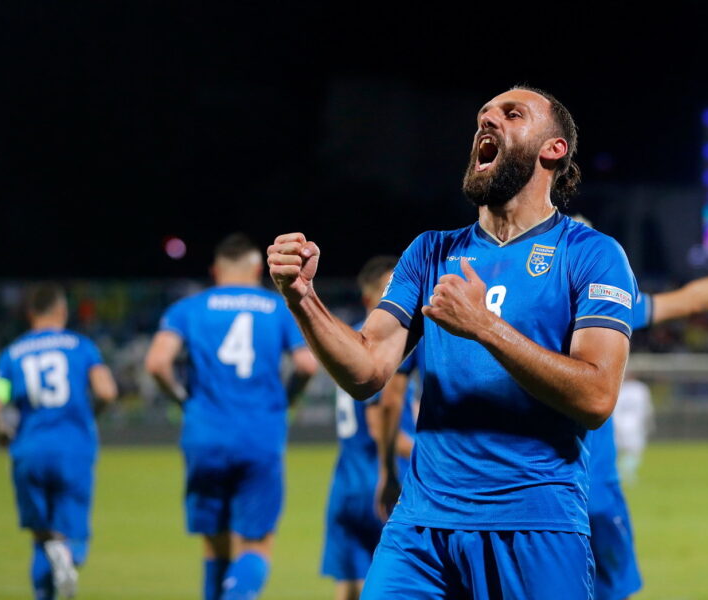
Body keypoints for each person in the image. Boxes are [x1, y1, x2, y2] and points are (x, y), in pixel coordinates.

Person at [268, 86, 637, 599]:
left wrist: (485, 326)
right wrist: (303, 299)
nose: (488, 121)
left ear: (553, 149)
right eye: (483, 115)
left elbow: (596, 397)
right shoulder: (430, 252)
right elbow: (366, 370)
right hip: (422, 527)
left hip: (536, 524)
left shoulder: (592, 254)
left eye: (512, 114)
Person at [588, 249, 708, 600]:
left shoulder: (510, 304)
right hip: (590, 490)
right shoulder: (600, 296)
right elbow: (691, 301)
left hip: (520, 490)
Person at [144, 233, 317, 600]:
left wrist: (182, 400)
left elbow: (157, 363)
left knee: (215, 545)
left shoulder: (188, 308)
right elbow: (307, 365)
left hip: (205, 434)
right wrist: (286, 400)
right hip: (260, 434)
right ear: (257, 270)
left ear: (215, 271)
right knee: (256, 544)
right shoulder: (278, 308)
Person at [0, 282, 118, 599]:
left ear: (30, 314)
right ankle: (68, 555)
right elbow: (107, 391)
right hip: (73, 448)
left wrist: (2, 435)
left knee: (42, 539)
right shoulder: (81, 346)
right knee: (72, 536)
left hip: (29, 450)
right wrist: (89, 416)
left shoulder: (12, 354)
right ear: (62, 311)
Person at [321, 255, 416, 600]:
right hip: (380, 482)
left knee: (348, 584)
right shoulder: (387, 346)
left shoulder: (348, 343)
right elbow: (380, 426)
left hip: (345, 482)